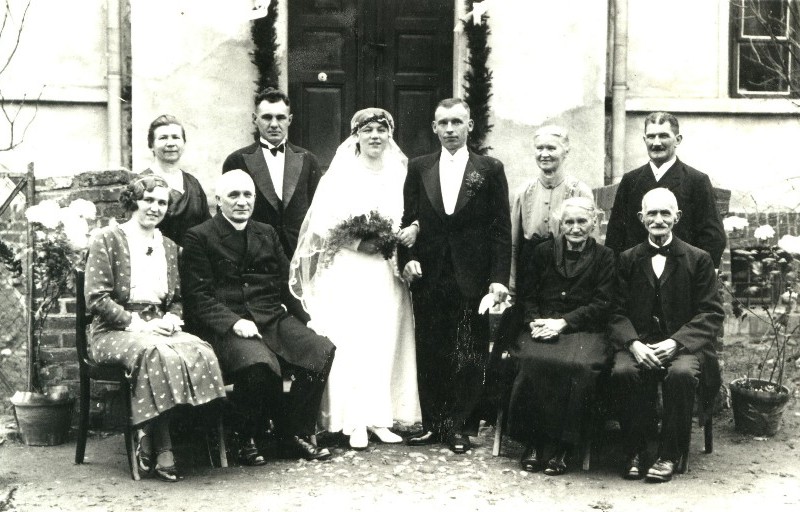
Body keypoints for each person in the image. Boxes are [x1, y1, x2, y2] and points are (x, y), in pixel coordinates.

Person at [181, 170, 335, 465]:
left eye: (247, 195)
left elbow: (285, 284)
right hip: (226, 326)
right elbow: (197, 297)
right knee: (259, 365)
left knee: (320, 350)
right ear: (218, 201)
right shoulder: (200, 236)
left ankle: (294, 433)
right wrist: (233, 322)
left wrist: (307, 317)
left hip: (270, 318)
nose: (242, 202)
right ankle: (245, 436)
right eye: (233, 196)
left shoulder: (266, 232)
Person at [290, 108, 420, 450]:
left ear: (389, 135)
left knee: (383, 339)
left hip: (384, 269)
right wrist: (358, 241)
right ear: (356, 136)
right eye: (368, 130)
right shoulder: (341, 174)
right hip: (349, 268)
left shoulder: (400, 173)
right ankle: (353, 421)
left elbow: (410, 215)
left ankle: (380, 417)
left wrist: (402, 235)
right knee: (353, 341)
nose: (375, 136)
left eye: (381, 130)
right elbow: (321, 223)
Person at [84, 175, 226, 482]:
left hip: (158, 326)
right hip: (113, 330)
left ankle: (148, 430)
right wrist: (139, 324)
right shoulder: (108, 239)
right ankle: (162, 444)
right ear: (134, 201)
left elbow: (175, 299)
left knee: (201, 349)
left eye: (162, 202)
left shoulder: (170, 247)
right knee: (154, 353)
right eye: (149, 200)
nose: (155, 207)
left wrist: (172, 319)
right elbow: (97, 298)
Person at [399, 98, 511, 454]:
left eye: (456, 122)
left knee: (469, 351)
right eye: (443, 123)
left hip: (471, 277)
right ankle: (434, 425)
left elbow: (500, 229)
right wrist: (408, 258)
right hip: (430, 276)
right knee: (431, 350)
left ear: (469, 126)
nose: (449, 129)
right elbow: (409, 220)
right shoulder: (419, 167)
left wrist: (498, 278)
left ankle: (461, 426)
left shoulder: (489, 169)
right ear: (434, 127)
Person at [609, 188, 723, 483]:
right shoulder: (627, 259)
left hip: (685, 346)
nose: (658, 219)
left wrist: (676, 342)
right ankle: (634, 449)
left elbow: (711, 313)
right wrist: (633, 344)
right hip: (639, 343)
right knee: (623, 371)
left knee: (681, 375)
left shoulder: (698, 259)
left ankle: (669, 453)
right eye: (652, 213)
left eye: (665, 213)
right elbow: (615, 311)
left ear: (677, 217)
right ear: (641, 218)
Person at [504, 196, 615, 476]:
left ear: (593, 222)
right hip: (541, 326)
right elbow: (527, 296)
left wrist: (563, 323)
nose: (575, 228)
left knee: (578, 366)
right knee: (531, 360)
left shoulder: (605, 257)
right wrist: (535, 323)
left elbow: (602, 304)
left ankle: (565, 447)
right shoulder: (542, 253)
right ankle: (533, 441)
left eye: (581, 221)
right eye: (569, 222)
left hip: (583, 329)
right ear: (559, 224)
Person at [605, 112, 726, 268]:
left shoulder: (696, 181)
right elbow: (615, 235)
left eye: (663, 136)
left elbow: (712, 236)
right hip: (637, 274)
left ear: (677, 140)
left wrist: (701, 274)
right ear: (644, 140)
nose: (656, 143)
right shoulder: (631, 180)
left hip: (682, 272)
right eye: (651, 136)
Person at [222, 87, 322, 257]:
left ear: (289, 120)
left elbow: (319, 210)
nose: (274, 124)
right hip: (254, 255)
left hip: (298, 253)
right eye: (267, 117)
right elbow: (226, 215)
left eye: (281, 117)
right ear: (255, 119)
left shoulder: (308, 160)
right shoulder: (236, 160)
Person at [509, 125, 593, 297]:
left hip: (566, 267)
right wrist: (511, 285)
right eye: (539, 148)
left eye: (551, 148)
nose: (544, 154)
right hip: (529, 268)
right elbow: (514, 242)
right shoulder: (523, 192)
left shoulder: (580, 190)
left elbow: (592, 244)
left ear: (565, 152)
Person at [140, 114, 211, 246]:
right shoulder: (141, 183)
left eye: (176, 137)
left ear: (184, 143)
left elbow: (207, 228)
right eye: (163, 138)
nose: (170, 143)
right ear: (151, 145)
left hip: (192, 262)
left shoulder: (193, 184)